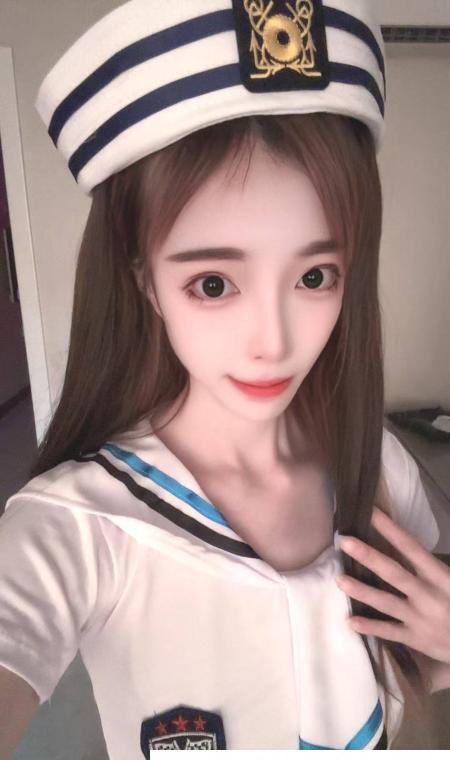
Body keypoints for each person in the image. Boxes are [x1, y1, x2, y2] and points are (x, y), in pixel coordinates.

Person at [0, 0, 449, 756]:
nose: (274, 343)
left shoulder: (376, 462)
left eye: (315, 275)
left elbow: (407, 674)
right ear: (145, 282)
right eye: (213, 284)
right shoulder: (78, 527)